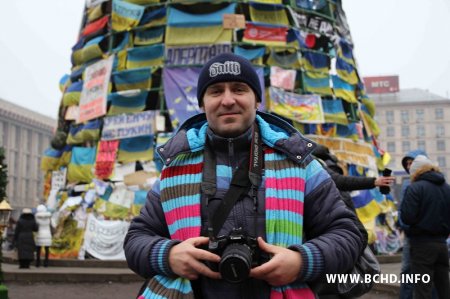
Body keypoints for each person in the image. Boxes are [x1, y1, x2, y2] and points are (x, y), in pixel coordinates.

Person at [124, 53, 363, 298]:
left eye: (239, 89)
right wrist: (167, 255)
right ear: (202, 103)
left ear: (257, 99)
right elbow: (136, 240)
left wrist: (302, 261)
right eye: (216, 91)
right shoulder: (174, 168)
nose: (228, 100)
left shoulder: (300, 163)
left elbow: (347, 234)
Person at [400, 155, 450, 299]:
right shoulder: (447, 188)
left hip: (421, 245)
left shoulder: (415, 188)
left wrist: (411, 230)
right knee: (443, 288)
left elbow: (407, 217)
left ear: (415, 172)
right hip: (442, 245)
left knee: (422, 290)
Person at [398, 149, 427, 299]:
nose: (409, 166)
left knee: (428, 272)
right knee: (407, 269)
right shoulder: (406, 184)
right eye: (407, 164)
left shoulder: (431, 184)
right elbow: (402, 209)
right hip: (411, 234)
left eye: (412, 163)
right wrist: (406, 227)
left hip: (426, 236)